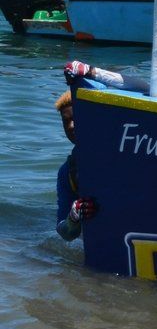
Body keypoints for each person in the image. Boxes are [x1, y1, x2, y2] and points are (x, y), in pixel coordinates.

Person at [54, 90, 96, 241]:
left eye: (76, 118)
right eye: (66, 121)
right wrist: (73, 218)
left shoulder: (122, 150)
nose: (71, 126)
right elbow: (64, 232)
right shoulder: (68, 172)